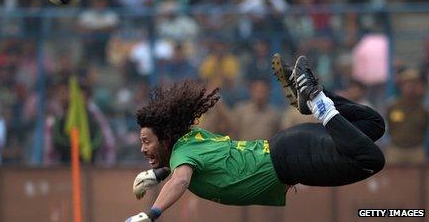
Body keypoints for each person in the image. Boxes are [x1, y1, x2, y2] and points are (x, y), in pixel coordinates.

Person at [126, 54, 385, 222]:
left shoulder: (183, 156)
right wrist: (157, 174)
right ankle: (315, 96)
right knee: (374, 124)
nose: (142, 148)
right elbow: (184, 168)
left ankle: (318, 103)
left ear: (166, 138)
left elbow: (180, 180)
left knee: (371, 159)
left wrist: (152, 214)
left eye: (147, 141)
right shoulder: (190, 139)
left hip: (291, 161)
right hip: (290, 145)